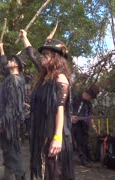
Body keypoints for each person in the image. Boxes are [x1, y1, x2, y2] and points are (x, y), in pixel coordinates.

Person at [20, 29, 74, 180]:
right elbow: (32, 55)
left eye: (46, 55)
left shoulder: (60, 79)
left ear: (56, 58)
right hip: (42, 131)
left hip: (53, 132)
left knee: (55, 172)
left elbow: (60, 110)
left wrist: (57, 137)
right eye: (42, 55)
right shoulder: (45, 78)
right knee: (45, 172)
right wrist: (25, 38)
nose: (42, 57)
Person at [0, 42, 26, 180]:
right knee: (8, 151)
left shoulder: (15, 79)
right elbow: (3, 64)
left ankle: (20, 177)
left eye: (12, 61)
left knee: (13, 152)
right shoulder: (10, 77)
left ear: (17, 66)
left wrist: (3, 121)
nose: (9, 61)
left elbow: (13, 105)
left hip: (10, 121)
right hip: (6, 120)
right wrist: (1, 49)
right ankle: (8, 176)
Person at [71, 85, 99, 167]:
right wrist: (70, 116)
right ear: (87, 95)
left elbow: (89, 115)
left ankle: (85, 159)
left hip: (81, 125)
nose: (91, 99)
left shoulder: (88, 103)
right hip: (70, 124)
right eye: (90, 97)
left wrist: (93, 126)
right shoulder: (75, 97)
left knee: (82, 142)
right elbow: (66, 108)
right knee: (69, 143)